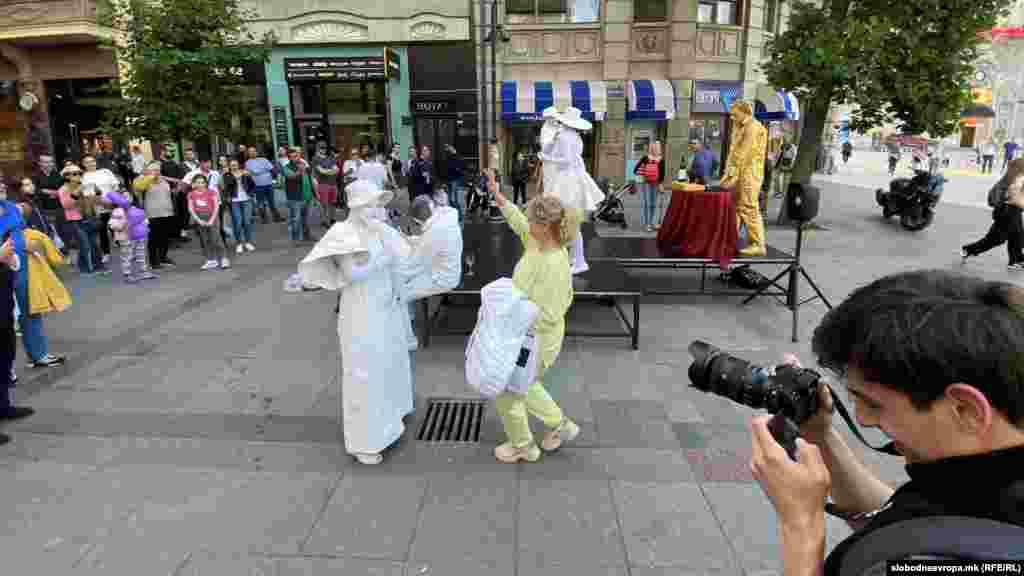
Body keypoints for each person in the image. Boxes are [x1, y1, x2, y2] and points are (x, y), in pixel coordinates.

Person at [750, 269, 1024, 575]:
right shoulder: (982, 476)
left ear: (966, 410)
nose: (863, 419)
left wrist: (800, 525)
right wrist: (820, 435)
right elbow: (924, 526)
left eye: (872, 403)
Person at [298, 179, 415, 465]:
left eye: (378, 204)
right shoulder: (343, 233)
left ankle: (391, 418)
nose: (377, 209)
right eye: (373, 204)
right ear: (358, 205)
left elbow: (405, 252)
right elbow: (352, 275)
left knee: (389, 362)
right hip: (361, 309)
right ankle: (365, 439)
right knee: (364, 371)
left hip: (384, 305)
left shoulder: (377, 230)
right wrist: (382, 260)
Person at [485, 169, 580, 463]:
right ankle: (560, 425)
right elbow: (518, 223)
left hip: (536, 340)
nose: (528, 222)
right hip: (525, 334)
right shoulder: (540, 243)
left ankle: (523, 446)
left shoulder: (553, 263)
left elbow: (549, 315)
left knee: (508, 390)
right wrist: (499, 197)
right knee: (522, 385)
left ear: (545, 227)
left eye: (532, 220)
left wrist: (508, 316)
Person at [538, 106, 605, 275]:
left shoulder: (564, 137)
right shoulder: (575, 137)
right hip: (573, 179)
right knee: (570, 222)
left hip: (566, 180)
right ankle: (573, 257)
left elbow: (565, 161)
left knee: (569, 223)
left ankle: (578, 260)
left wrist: (546, 158)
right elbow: (575, 160)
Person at [720, 100, 768, 257]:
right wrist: (729, 174)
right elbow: (733, 154)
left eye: (735, 114)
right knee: (736, 207)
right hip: (742, 174)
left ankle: (758, 244)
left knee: (748, 207)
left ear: (744, 111)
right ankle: (730, 239)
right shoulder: (742, 126)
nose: (732, 118)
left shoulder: (753, 128)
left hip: (749, 175)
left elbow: (744, 154)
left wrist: (732, 176)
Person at [961, 157, 1024, 270]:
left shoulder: (1013, 177)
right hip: (1008, 211)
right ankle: (969, 249)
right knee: (997, 238)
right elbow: (1014, 197)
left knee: (1017, 236)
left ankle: (1016, 260)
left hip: (1013, 210)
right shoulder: (1016, 179)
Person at [58, 164, 108, 275]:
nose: (78, 176)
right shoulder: (63, 189)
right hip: (75, 220)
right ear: (67, 176)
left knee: (94, 243)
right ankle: (85, 268)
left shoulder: (85, 186)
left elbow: (96, 201)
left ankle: (98, 266)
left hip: (89, 217)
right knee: (84, 244)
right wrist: (78, 192)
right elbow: (67, 205)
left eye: (80, 173)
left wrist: (97, 192)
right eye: (75, 174)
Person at [103, 190, 156, 283]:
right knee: (127, 255)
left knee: (141, 254)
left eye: (128, 196)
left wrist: (145, 225)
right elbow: (112, 224)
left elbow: (144, 219)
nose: (127, 198)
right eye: (124, 196)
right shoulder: (117, 211)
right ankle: (127, 274)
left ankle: (143, 271)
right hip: (125, 237)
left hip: (138, 236)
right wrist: (123, 225)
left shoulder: (135, 209)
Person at [134, 161, 177, 269]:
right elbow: (139, 188)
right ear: (147, 171)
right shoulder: (142, 180)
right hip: (152, 214)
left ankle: (163, 257)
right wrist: (150, 177)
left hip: (167, 212)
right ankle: (154, 261)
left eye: (158, 169)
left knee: (165, 237)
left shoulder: (164, 181)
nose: (156, 172)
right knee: (154, 238)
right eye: (153, 169)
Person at [81, 154, 119, 265]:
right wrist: (100, 202)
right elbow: (86, 195)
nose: (91, 164)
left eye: (92, 161)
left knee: (118, 227)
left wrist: (113, 201)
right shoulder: (84, 177)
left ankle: (128, 250)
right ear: (84, 164)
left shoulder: (105, 172)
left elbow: (115, 187)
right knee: (102, 231)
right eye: (87, 162)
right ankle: (106, 253)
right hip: (97, 207)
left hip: (112, 204)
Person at [187, 173, 230, 270]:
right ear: (194, 184)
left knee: (216, 239)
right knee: (205, 240)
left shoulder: (211, 192)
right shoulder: (191, 194)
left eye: (202, 182)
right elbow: (191, 208)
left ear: (206, 183)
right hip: (200, 219)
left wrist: (211, 220)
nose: (200, 185)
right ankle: (211, 260)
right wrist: (198, 220)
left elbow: (216, 207)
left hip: (212, 218)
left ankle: (224, 258)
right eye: (198, 182)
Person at [222, 159, 257, 254]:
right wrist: (232, 175)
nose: (234, 167)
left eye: (235, 165)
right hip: (234, 201)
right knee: (237, 222)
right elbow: (227, 185)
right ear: (229, 166)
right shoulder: (227, 175)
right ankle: (239, 243)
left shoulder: (245, 174)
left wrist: (249, 177)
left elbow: (253, 185)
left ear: (239, 165)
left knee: (247, 221)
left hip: (246, 199)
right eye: (232, 165)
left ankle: (248, 242)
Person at [282, 147, 314, 244]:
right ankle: (295, 239)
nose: (296, 158)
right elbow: (290, 176)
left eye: (297, 156)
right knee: (296, 219)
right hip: (295, 198)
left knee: (306, 219)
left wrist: (314, 193)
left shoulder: (304, 165)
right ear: (289, 158)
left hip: (307, 196)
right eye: (293, 157)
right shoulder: (286, 167)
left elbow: (310, 179)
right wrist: (300, 171)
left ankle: (306, 236)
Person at [634, 141, 666, 232]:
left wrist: (660, 184)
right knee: (648, 204)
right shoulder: (646, 158)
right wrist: (644, 172)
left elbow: (662, 174)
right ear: (652, 148)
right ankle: (648, 223)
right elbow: (635, 169)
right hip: (648, 183)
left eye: (658, 148)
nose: (656, 149)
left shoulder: (660, 159)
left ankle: (651, 223)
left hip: (655, 184)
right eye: (655, 148)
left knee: (652, 204)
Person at [313, 143, 339, 228]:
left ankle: (331, 219)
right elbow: (321, 171)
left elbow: (337, 170)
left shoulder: (330, 158)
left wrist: (328, 171)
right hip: (323, 184)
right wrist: (331, 170)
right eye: (321, 148)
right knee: (324, 204)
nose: (323, 149)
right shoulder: (315, 159)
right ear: (318, 148)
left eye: (324, 148)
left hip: (333, 184)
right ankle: (324, 221)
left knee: (332, 203)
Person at [444, 144, 466, 221]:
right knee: (450, 200)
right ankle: (456, 215)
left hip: (455, 180)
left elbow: (461, 165)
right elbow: (446, 168)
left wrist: (454, 153)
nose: (447, 149)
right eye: (446, 148)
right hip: (449, 180)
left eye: (448, 148)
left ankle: (459, 215)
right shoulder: (447, 157)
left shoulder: (456, 156)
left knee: (454, 199)